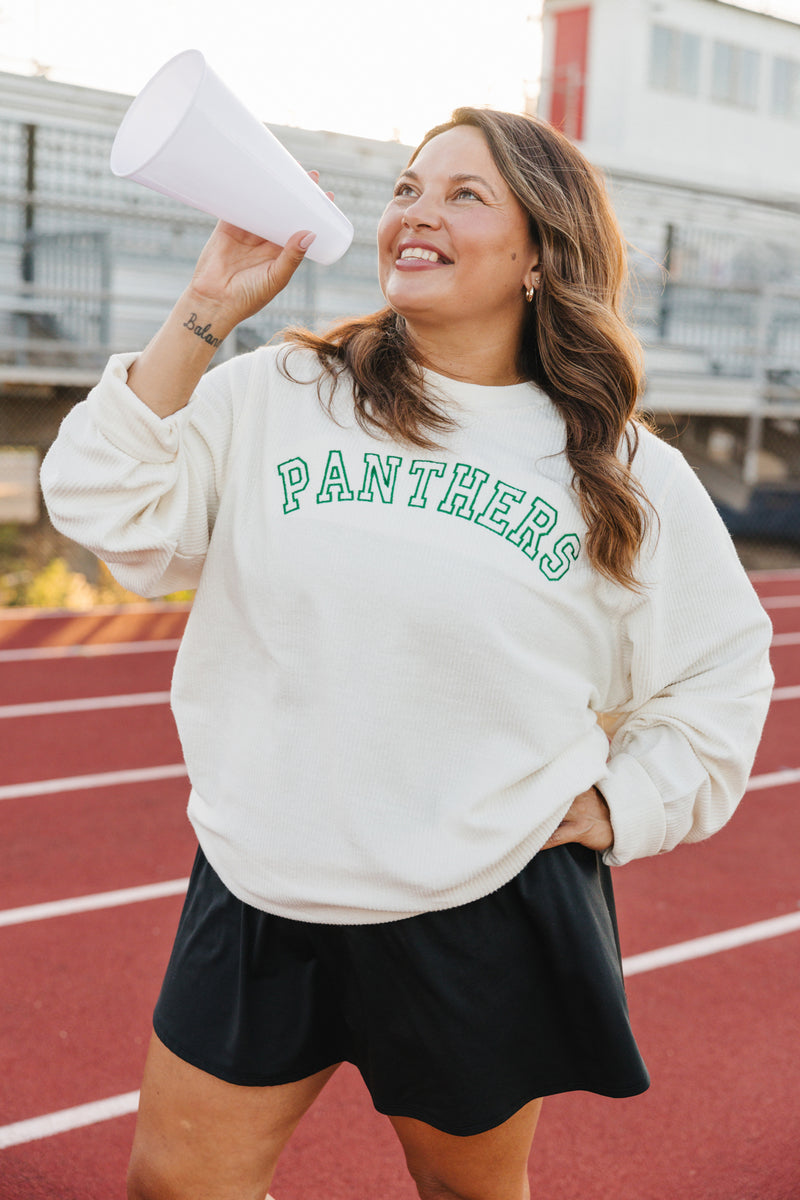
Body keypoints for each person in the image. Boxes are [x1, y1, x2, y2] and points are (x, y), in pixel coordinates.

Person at [41, 107, 773, 1200]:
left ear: (539, 251)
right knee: (175, 1185)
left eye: (463, 195)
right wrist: (203, 312)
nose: (416, 214)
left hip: (476, 901)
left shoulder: (618, 471)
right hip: (261, 884)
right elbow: (107, 510)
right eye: (405, 190)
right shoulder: (280, 395)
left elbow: (719, 670)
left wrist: (628, 803)